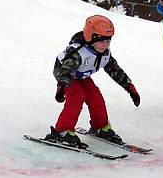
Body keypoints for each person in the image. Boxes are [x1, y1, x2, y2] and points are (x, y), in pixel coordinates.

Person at [45, 15, 141, 148]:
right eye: (102, 41)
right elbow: (66, 70)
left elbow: (115, 71)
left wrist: (130, 88)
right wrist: (61, 87)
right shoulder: (78, 53)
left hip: (81, 75)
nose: (105, 45)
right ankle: (62, 130)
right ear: (91, 38)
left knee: (95, 97)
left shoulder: (104, 54)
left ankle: (100, 127)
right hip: (65, 74)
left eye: (108, 41)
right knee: (77, 96)